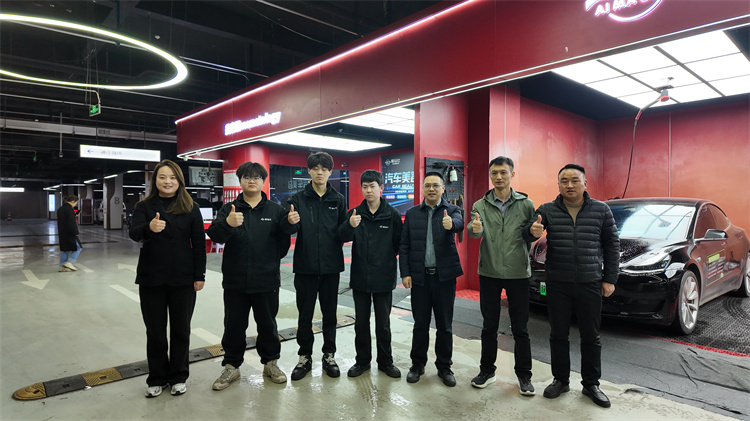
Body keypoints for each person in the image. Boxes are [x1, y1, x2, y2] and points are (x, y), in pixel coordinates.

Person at [522, 163, 619, 408]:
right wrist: (532, 231)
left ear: (585, 183)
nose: (569, 185)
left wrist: (610, 278)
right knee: (558, 334)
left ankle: (591, 384)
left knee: (591, 336)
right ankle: (561, 380)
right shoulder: (547, 210)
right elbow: (527, 233)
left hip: (590, 282)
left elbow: (612, 245)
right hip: (558, 283)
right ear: (558, 185)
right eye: (564, 181)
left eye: (575, 180)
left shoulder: (601, 210)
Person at [207, 162, 293, 390]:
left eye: (256, 177)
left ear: (263, 181)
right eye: (246, 177)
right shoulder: (229, 209)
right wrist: (227, 224)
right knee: (234, 326)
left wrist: (269, 261)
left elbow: (283, 244)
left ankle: (270, 363)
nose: (251, 180)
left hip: (266, 280)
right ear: (240, 181)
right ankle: (232, 366)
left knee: (268, 325)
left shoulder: (275, 211)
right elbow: (215, 235)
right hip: (235, 280)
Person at [129, 159, 206, 398]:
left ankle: (178, 377)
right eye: (162, 177)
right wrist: (149, 228)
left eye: (172, 177)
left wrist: (199, 275)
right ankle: (157, 378)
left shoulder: (191, 207)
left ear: (179, 181)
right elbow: (133, 233)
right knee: (155, 331)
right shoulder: (144, 206)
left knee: (181, 330)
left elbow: (199, 243)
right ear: (155, 181)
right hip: (151, 277)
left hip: (183, 278)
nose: (167, 181)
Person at [467, 156, 536, 395]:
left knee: (520, 328)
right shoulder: (481, 204)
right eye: (494, 173)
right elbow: (473, 231)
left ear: (512, 174)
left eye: (503, 172)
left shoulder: (526, 204)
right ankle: (487, 371)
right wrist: (474, 229)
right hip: (489, 271)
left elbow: (529, 234)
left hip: (518, 273)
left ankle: (524, 376)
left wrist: (535, 232)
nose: (498, 177)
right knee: (489, 325)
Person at [281, 152, 347, 380]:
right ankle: (304, 357)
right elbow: (286, 229)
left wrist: (351, 227)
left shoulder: (338, 199)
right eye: (315, 168)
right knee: (305, 316)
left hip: (331, 268)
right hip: (305, 267)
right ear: (308, 170)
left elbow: (342, 232)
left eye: (324, 169)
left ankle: (329, 355)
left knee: (330, 315)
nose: (320, 172)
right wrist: (288, 222)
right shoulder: (297, 199)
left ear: (330, 172)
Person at [400, 171, 464, 387]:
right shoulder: (412, 213)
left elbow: (459, 223)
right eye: (427, 185)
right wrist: (405, 273)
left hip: (444, 278)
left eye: (436, 185)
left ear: (443, 188)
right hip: (420, 278)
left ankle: (444, 366)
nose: (431, 189)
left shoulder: (452, 210)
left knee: (445, 325)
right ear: (423, 188)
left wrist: (451, 225)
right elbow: (404, 245)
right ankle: (417, 364)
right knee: (420, 324)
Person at [337, 170, 403, 379]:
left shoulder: (392, 215)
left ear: (381, 188)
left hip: (384, 277)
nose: (368, 190)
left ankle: (385, 362)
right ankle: (362, 362)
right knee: (361, 323)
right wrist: (350, 225)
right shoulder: (355, 213)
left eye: (372, 186)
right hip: (360, 277)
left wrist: (385, 260)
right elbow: (341, 236)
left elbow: (398, 244)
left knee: (383, 324)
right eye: (364, 187)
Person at [57, 195, 82, 272]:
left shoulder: (61, 209)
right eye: (76, 202)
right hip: (69, 232)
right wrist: (76, 232)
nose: (76, 204)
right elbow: (71, 222)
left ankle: (62, 266)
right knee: (78, 247)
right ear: (73, 201)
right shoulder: (69, 209)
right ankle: (69, 262)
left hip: (62, 232)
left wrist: (74, 215)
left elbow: (65, 218)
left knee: (65, 250)